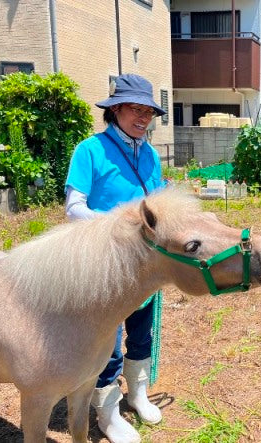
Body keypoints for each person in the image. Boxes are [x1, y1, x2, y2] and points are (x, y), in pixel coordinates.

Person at [65, 73, 165, 443]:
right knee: (106, 336)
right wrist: (121, 223)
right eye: (134, 109)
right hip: (104, 261)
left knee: (141, 329)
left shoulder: (151, 154)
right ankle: (106, 412)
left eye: (148, 112)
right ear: (115, 110)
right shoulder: (90, 150)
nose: (142, 118)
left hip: (144, 263)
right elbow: (74, 208)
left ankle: (137, 393)